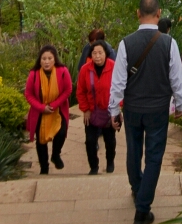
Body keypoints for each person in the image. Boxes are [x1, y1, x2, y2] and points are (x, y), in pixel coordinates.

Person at [108, 0, 182, 224]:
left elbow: (118, 82)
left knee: (133, 150)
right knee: (154, 156)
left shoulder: (125, 43)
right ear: (159, 13)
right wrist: (180, 105)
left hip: (132, 109)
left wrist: (114, 110)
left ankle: (137, 188)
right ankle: (143, 209)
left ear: (137, 13)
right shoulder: (168, 43)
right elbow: (177, 78)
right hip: (157, 111)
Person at [24, 45, 73, 175]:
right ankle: (44, 168)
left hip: (57, 109)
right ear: (40, 60)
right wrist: (41, 107)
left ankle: (56, 155)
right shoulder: (34, 74)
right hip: (39, 111)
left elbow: (68, 90)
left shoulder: (62, 71)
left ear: (54, 59)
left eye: (49, 58)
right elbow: (28, 95)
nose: (46, 61)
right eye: (44, 58)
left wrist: (54, 105)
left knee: (61, 133)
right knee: (41, 141)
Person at [77, 41, 116, 175]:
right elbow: (80, 91)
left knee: (110, 140)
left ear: (106, 53)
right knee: (90, 141)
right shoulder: (85, 69)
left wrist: (117, 109)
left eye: (100, 53)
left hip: (109, 111)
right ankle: (94, 166)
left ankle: (110, 161)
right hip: (92, 112)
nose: (97, 56)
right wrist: (85, 109)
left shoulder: (114, 67)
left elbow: (121, 89)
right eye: (94, 53)